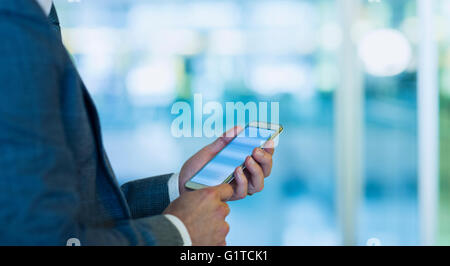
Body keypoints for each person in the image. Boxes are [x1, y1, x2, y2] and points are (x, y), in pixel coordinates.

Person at [0, 0, 275, 246]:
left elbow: (77, 218)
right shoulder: (14, 26)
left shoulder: (31, 17)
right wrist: (178, 233)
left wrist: (180, 190)